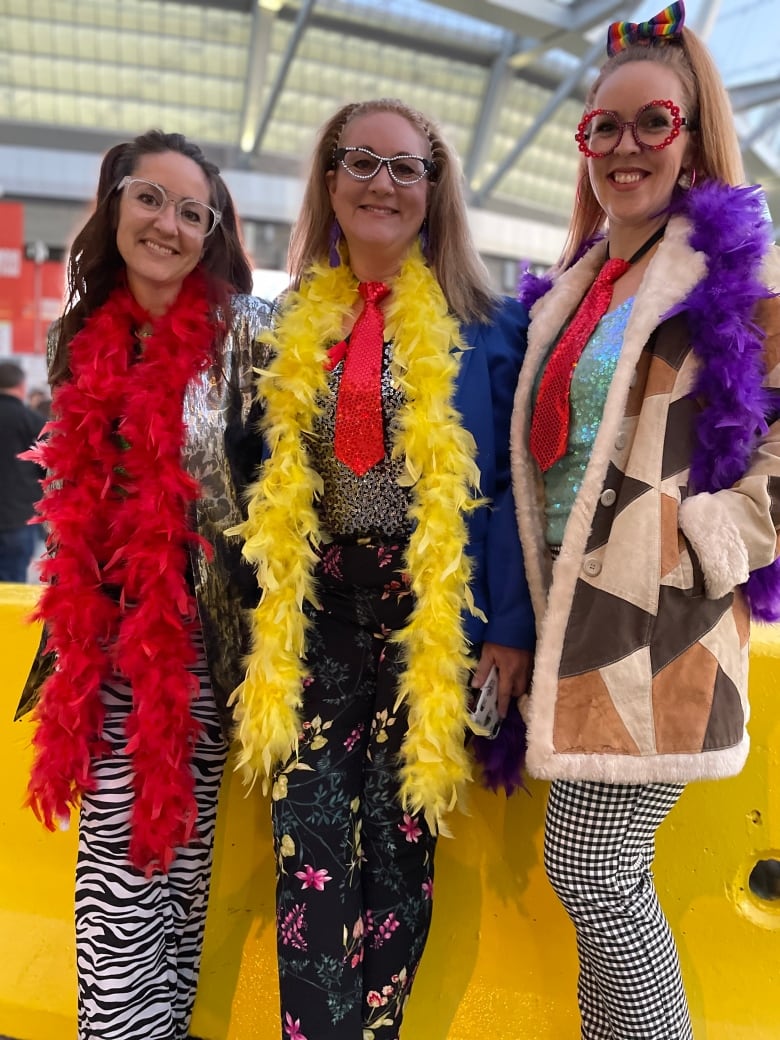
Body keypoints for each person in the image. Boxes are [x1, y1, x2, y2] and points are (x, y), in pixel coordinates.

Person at [227, 97, 535, 1039]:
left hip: (430, 621)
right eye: (362, 161)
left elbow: (514, 490)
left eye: (408, 168)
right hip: (316, 617)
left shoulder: (485, 324)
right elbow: (250, 476)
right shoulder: (287, 319)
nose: (383, 183)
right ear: (329, 181)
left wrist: (511, 632)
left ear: (435, 193)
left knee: (400, 863)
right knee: (310, 855)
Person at [511, 2, 780, 1037]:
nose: (622, 148)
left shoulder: (740, 277)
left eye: (649, 123)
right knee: (594, 887)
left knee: (592, 871)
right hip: (574, 624)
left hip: (663, 628)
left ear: (692, 131)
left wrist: (717, 537)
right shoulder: (578, 284)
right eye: (603, 129)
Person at [15, 129, 271, 1040]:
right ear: (114, 201)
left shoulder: (246, 334)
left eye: (191, 211)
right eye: (150, 199)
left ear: (212, 233)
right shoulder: (77, 337)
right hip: (101, 642)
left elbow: (284, 487)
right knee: (120, 902)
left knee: (166, 895)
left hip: (199, 653)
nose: (167, 223)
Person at [0, 360, 45, 582]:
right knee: (12, 588)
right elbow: (49, 466)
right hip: (19, 518)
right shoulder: (33, 421)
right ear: (21, 386)